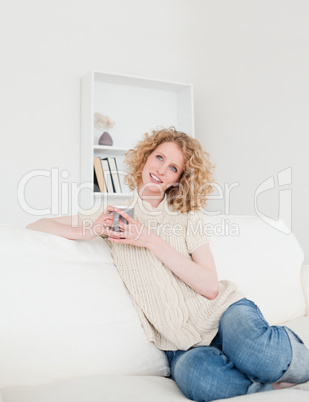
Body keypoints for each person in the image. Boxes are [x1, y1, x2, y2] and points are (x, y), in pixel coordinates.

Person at [26, 127, 309, 401]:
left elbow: (210, 286)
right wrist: (86, 229)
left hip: (223, 314)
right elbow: (36, 224)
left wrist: (150, 240)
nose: (162, 169)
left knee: (258, 353)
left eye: (173, 168)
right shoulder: (113, 216)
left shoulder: (188, 216)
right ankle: (270, 390)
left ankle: (289, 359)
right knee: (198, 379)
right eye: (159, 158)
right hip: (178, 343)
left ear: (177, 180)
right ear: (145, 158)